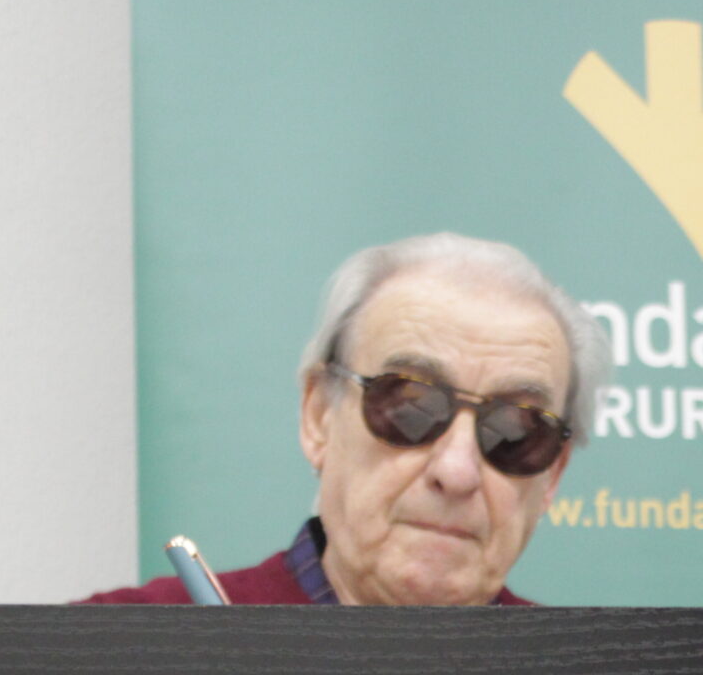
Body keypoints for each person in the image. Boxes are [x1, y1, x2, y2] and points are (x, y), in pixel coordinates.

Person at [81, 233, 611, 606]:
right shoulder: (121, 655)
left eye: (515, 431)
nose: (457, 471)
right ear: (319, 417)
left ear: (553, 475)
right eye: (412, 406)